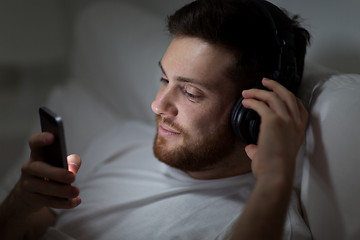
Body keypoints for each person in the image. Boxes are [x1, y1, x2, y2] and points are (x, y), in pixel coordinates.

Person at [0, 0, 311, 239]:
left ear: (251, 115)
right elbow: (32, 228)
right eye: (164, 79)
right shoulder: (123, 140)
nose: (157, 105)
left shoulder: (271, 222)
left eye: (190, 92)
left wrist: (274, 179)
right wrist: (21, 203)